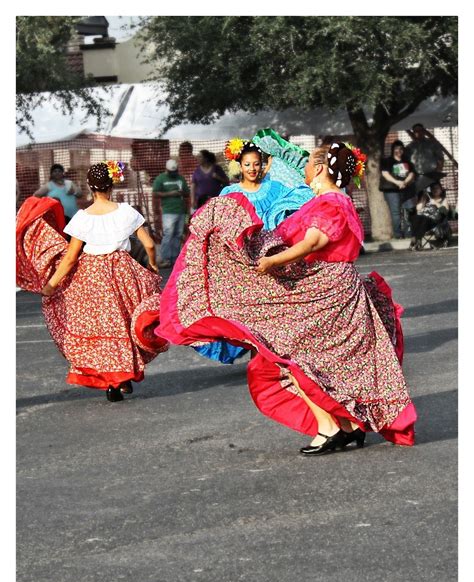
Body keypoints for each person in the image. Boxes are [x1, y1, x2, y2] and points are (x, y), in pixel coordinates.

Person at [156, 142, 416, 452]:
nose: (302, 168)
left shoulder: (330, 203)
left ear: (319, 169)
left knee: (290, 356)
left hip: (324, 292)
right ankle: (346, 425)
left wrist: (272, 261)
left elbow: (313, 242)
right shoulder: (332, 200)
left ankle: (330, 427)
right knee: (311, 359)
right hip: (328, 289)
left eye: (307, 163)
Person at [16, 161, 168, 402]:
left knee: (102, 328)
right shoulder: (127, 212)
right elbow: (149, 244)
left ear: (90, 187)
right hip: (122, 272)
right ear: (113, 184)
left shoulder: (82, 218)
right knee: (126, 323)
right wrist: (152, 264)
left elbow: (70, 258)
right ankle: (125, 377)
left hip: (92, 276)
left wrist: (52, 284)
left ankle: (111, 381)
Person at [192, 135, 314, 364]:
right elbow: (216, 225)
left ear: (263, 164)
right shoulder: (229, 193)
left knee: (274, 306)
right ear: (239, 165)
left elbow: (301, 200)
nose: (252, 169)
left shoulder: (276, 188)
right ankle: (257, 352)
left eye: (257, 164)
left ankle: (271, 353)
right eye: (247, 164)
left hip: (272, 256)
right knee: (249, 309)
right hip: (243, 261)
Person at [152, 159, 190, 268]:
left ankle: (175, 258)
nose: (173, 174)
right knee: (168, 234)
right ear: (167, 170)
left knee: (178, 234)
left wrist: (182, 193)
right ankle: (165, 258)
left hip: (180, 210)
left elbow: (187, 192)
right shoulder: (161, 179)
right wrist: (170, 193)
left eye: (175, 172)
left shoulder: (180, 178)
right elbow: (155, 193)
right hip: (168, 211)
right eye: (171, 172)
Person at [380, 140, 416, 238]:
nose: (399, 151)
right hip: (392, 190)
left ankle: (409, 232)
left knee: (409, 209)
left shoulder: (407, 162)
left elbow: (412, 174)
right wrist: (397, 182)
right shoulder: (387, 161)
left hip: (406, 189)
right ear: (392, 150)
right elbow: (385, 174)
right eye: (396, 148)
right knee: (396, 212)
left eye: (401, 149)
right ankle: (398, 234)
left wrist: (405, 182)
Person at [410, 183, 452, 250]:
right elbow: (418, 208)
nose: (435, 190)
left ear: (441, 190)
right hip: (423, 223)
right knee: (416, 217)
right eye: (433, 188)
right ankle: (417, 241)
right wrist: (423, 197)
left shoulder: (444, 200)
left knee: (422, 219)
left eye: (437, 188)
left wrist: (436, 203)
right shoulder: (427, 198)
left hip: (435, 223)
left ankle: (415, 240)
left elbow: (445, 211)